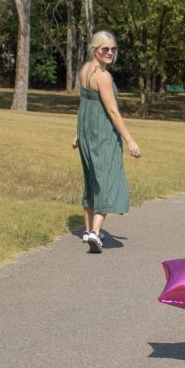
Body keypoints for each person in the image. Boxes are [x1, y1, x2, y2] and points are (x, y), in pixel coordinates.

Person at [73, 30, 141, 253]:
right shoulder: (103, 76)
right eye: (105, 49)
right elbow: (112, 111)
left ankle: (88, 230)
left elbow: (84, 103)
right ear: (95, 49)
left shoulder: (84, 70)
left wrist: (78, 132)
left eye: (113, 49)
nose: (110, 52)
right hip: (102, 134)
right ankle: (95, 232)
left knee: (91, 181)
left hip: (86, 131)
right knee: (108, 181)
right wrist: (130, 140)